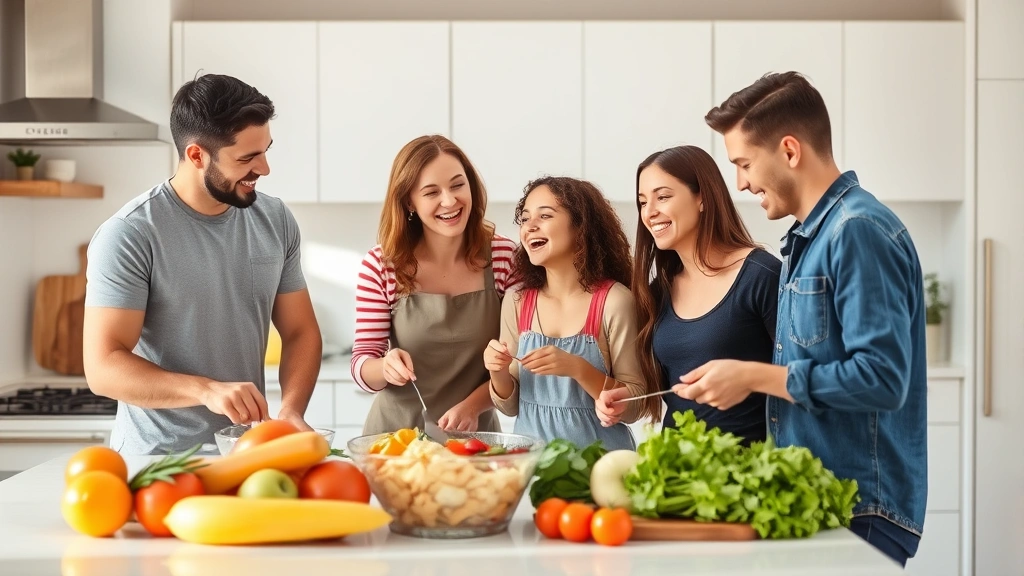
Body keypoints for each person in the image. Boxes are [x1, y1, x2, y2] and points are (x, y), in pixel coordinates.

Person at [681, 71, 927, 566]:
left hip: (861, 509)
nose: (741, 182)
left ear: (790, 151)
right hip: (822, 500)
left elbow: (881, 378)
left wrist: (753, 377)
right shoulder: (805, 239)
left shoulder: (857, 231)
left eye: (745, 163)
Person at [83, 74, 323, 455]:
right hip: (157, 462)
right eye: (246, 158)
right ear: (197, 155)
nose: (264, 168)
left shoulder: (275, 220)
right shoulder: (130, 234)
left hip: (244, 453)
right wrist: (205, 390)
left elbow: (300, 332)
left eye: (265, 151)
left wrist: (291, 409)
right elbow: (102, 367)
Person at [596, 146, 781, 445]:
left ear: (702, 198)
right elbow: (662, 391)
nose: (650, 211)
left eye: (663, 196)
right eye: (643, 201)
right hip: (677, 473)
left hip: (749, 472)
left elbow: (801, 378)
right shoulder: (658, 292)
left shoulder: (760, 274)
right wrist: (624, 399)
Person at [351, 135, 517, 435]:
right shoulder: (382, 265)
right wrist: (385, 366)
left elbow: (516, 363)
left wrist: (473, 407)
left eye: (457, 185)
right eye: (431, 192)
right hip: (395, 443)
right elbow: (363, 363)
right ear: (408, 202)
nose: (450, 201)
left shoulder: (504, 257)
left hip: (475, 440)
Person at [484, 176, 647, 451]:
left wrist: (579, 369)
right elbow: (510, 407)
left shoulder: (614, 301)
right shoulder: (517, 302)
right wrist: (497, 371)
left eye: (545, 215)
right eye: (524, 219)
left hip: (602, 468)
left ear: (580, 226)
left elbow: (636, 406)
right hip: (533, 469)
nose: (530, 226)